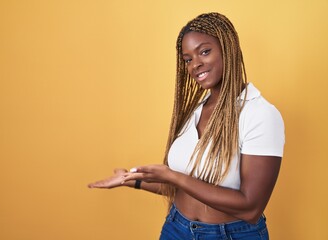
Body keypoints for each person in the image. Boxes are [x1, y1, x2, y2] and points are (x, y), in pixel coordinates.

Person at [88, 12, 285, 240]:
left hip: (231, 235)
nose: (195, 65)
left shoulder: (259, 114)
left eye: (204, 51)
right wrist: (134, 180)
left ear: (228, 48)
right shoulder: (196, 109)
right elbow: (185, 190)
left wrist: (172, 176)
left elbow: (251, 208)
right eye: (188, 59)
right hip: (176, 229)